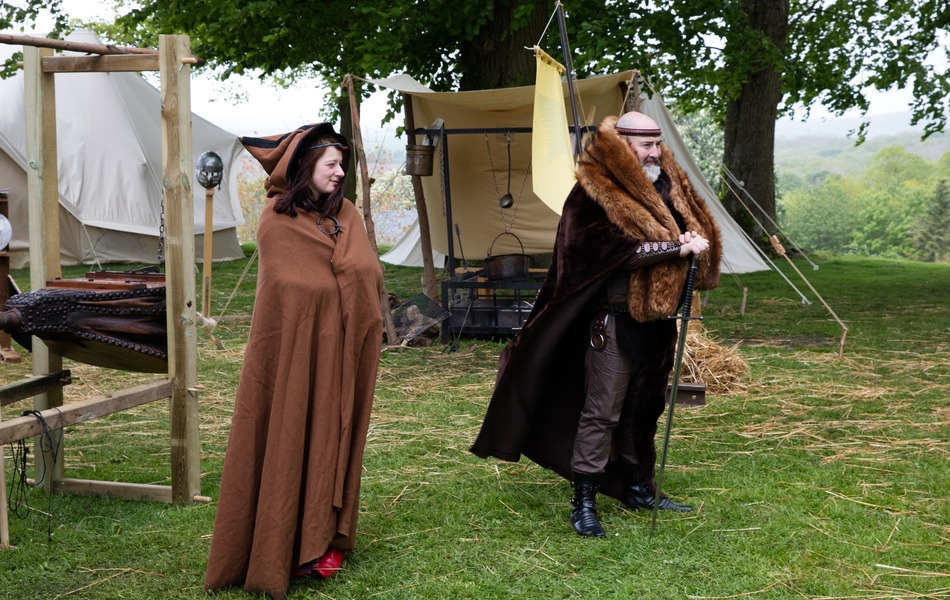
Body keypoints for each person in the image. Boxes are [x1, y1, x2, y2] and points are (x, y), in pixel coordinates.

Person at [470, 112, 722, 538]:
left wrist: (687, 242)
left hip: (657, 321)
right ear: (621, 144)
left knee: (644, 408)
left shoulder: (666, 184)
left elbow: (692, 228)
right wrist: (672, 250)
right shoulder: (592, 191)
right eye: (646, 145)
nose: (655, 152)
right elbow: (605, 252)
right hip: (614, 321)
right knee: (601, 412)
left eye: (657, 143)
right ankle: (583, 501)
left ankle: (639, 488)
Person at [204, 123, 383, 598]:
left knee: (333, 434)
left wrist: (347, 280)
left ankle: (325, 536)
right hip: (294, 355)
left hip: (342, 352)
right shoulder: (275, 221)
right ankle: (282, 543)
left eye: (342, 165)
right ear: (306, 169)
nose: (341, 173)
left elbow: (368, 271)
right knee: (288, 434)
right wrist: (342, 281)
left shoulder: (347, 212)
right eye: (332, 165)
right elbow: (295, 289)